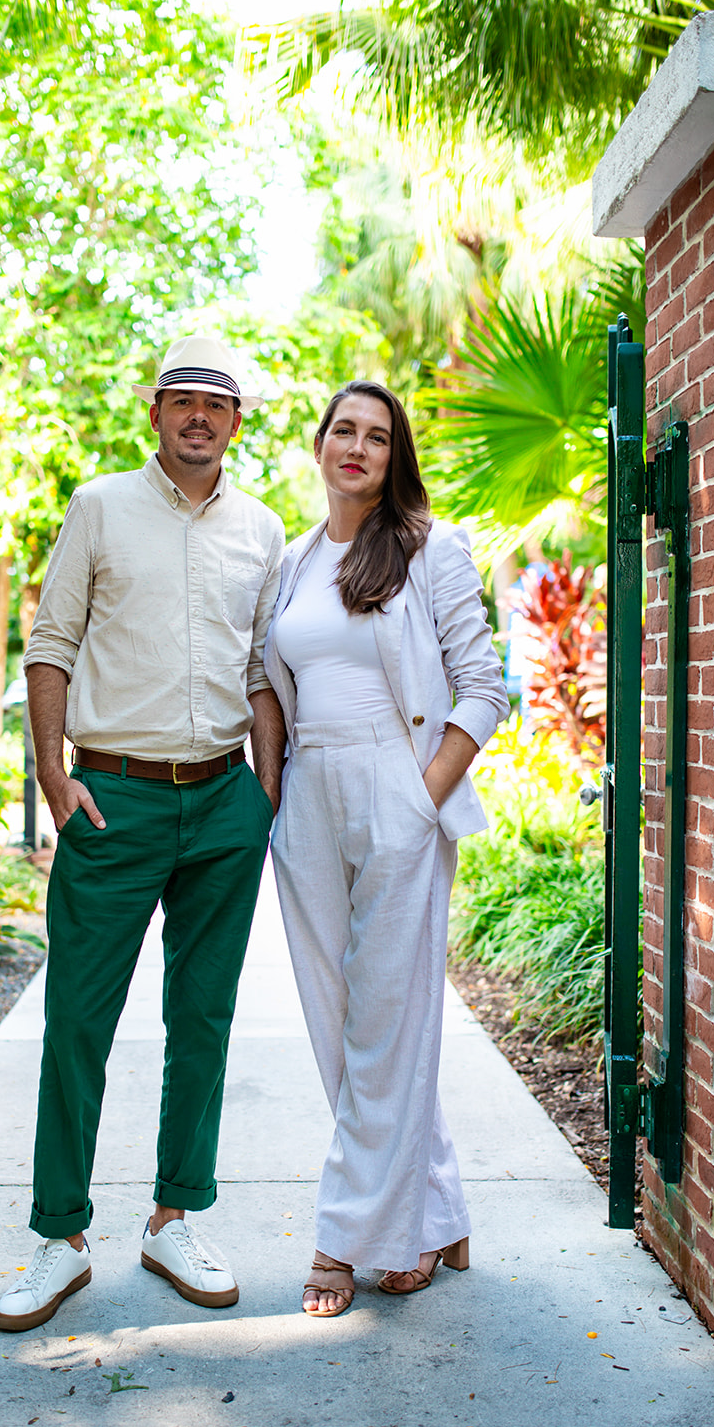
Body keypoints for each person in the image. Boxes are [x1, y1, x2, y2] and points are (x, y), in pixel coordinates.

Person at [0, 336, 286, 1333]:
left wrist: (266, 796)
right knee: (76, 1018)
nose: (198, 416)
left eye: (217, 403)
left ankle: (174, 1217)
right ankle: (59, 1235)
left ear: (236, 422)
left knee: (200, 1020)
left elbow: (259, 671)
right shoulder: (98, 505)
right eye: (182, 399)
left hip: (220, 803)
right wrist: (50, 773)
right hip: (110, 801)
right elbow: (50, 644)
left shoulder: (261, 528)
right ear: (152, 411)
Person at [263, 379, 509, 1316]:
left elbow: (481, 688)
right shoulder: (291, 562)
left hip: (396, 786)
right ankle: (431, 1209)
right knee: (341, 1021)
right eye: (343, 430)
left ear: (391, 454)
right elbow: (268, 683)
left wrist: (419, 797)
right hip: (309, 801)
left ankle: (348, 1241)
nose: (357, 447)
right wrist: (275, 796)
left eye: (376, 435)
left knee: (384, 1019)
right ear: (319, 445)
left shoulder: (428, 549)